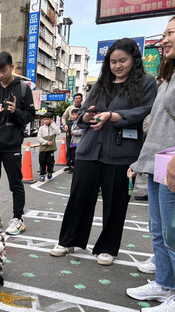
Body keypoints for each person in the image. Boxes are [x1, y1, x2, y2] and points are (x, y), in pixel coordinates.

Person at [50, 38, 157, 266]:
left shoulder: (146, 83)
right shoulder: (100, 85)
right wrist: (87, 117)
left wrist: (114, 116)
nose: (117, 66)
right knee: (79, 197)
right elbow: (80, 116)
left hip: (121, 152)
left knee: (116, 202)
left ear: (134, 60)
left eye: (123, 61)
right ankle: (69, 240)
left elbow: (146, 111)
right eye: (113, 61)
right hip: (89, 149)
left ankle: (107, 247)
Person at [126, 17, 175, 312]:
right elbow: (158, 125)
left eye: (171, 32)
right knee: (159, 231)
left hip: (172, 163)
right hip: (158, 161)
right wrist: (141, 161)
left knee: (173, 235)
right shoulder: (168, 75)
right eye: (165, 32)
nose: (164, 38)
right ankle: (166, 284)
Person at [0, 51, 35, 235]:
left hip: (11, 145)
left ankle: (18, 219)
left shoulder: (24, 89)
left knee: (15, 184)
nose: (1, 75)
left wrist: (15, 111)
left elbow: (29, 116)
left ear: (12, 67)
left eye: (3, 70)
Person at [62, 93, 83, 171]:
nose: (77, 100)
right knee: (69, 148)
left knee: (77, 149)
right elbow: (64, 118)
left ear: (81, 99)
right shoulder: (69, 108)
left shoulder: (84, 108)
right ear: (74, 99)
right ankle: (69, 164)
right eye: (76, 98)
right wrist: (65, 125)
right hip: (70, 128)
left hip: (79, 129)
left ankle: (76, 165)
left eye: (79, 98)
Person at [37, 112, 61, 182]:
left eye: (48, 119)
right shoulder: (41, 128)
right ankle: (42, 175)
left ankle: (50, 171)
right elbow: (39, 138)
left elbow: (58, 132)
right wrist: (46, 142)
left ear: (51, 120)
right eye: (44, 119)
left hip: (51, 149)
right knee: (42, 162)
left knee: (50, 162)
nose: (46, 121)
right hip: (43, 149)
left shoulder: (53, 128)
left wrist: (53, 124)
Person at [65, 108, 83, 173]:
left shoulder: (81, 122)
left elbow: (83, 131)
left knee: (76, 156)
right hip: (72, 142)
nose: (73, 116)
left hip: (78, 142)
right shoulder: (72, 122)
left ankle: (76, 169)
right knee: (72, 155)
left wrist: (74, 132)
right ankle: (72, 167)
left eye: (75, 114)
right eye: (72, 114)